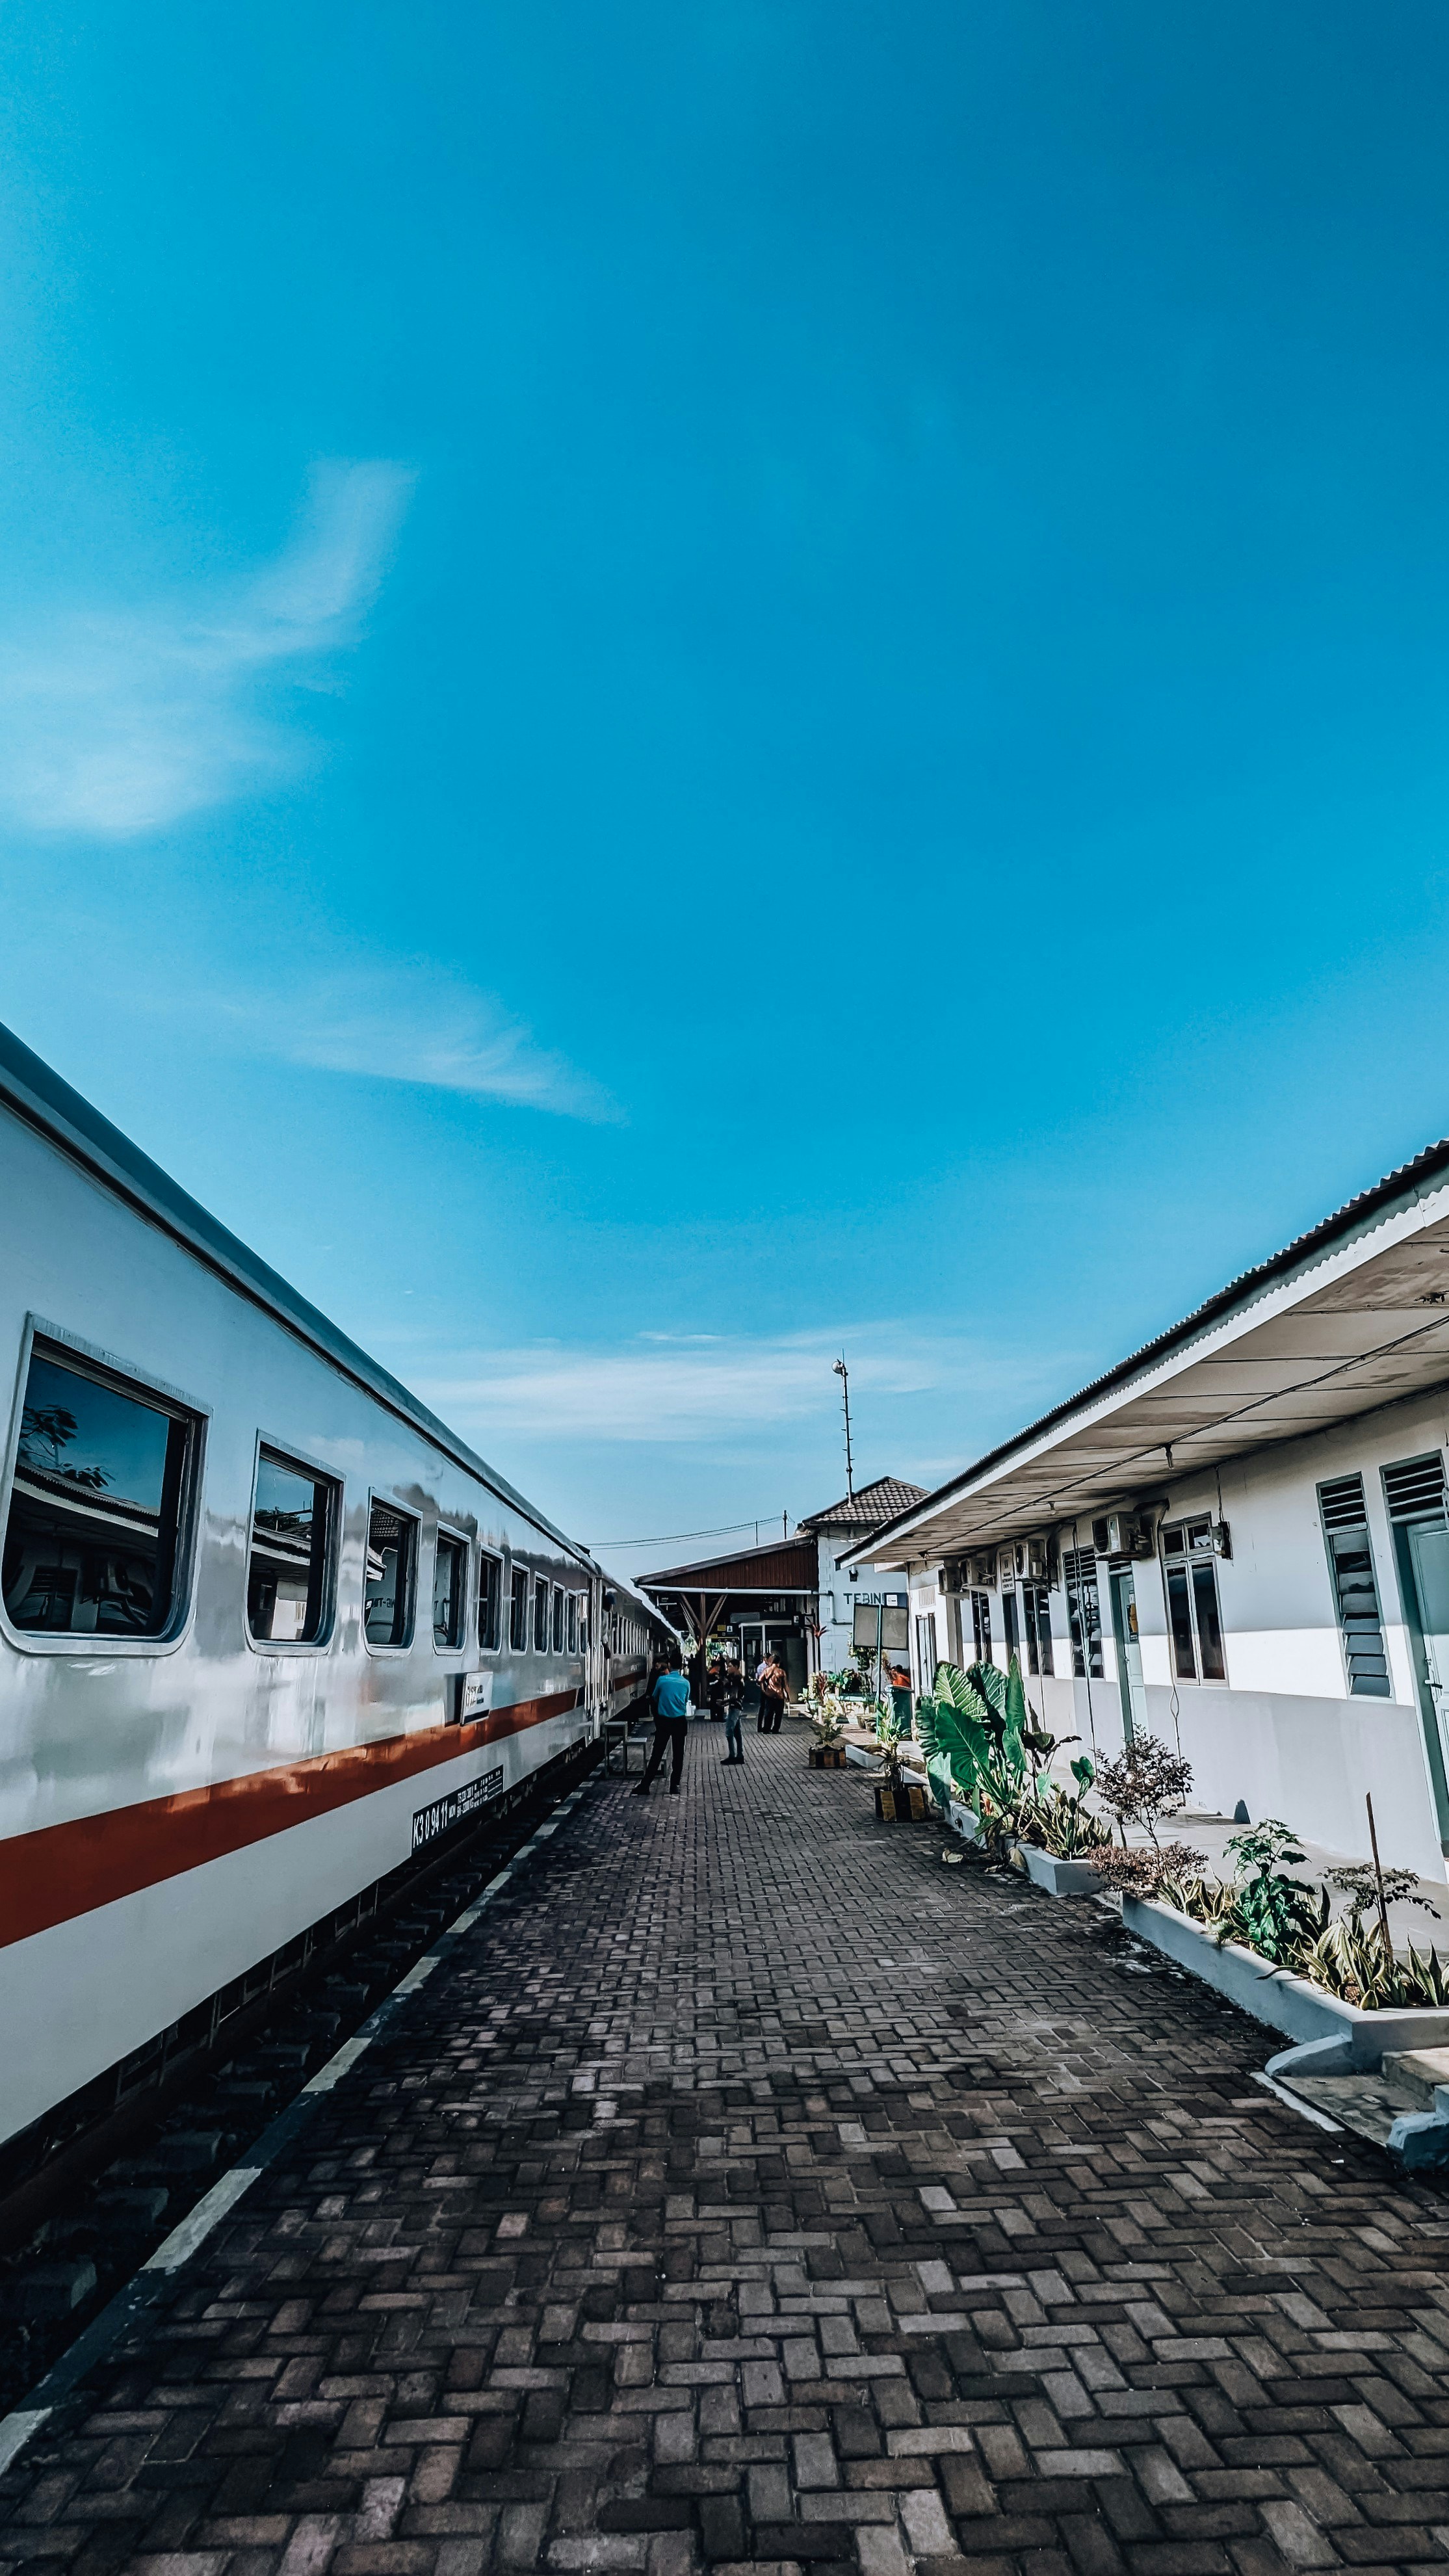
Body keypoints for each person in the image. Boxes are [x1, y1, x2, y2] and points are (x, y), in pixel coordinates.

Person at [633, 1655, 691, 1795]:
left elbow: (655, 1697)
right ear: (682, 1667)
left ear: (669, 1665)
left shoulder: (662, 1680)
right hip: (680, 1721)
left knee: (657, 1754)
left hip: (664, 1722)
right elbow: (685, 1700)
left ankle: (646, 1785)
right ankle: (674, 1786)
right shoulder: (686, 1683)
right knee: (678, 1755)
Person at [718, 1658, 745, 1764]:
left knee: (729, 1731)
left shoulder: (737, 1679)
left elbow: (734, 1696)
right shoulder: (737, 1678)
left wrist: (724, 1702)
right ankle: (740, 1755)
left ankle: (732, 1756)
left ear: (736, 1667)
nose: (728, 1668)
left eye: (730, 1666)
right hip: (737, 1706)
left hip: (735, 1706)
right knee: (737, 1732)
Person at [757, 1650, 789, 1733]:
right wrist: (788, 1695)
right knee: (778, 1714)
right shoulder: (781, 1672)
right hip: (779, 1695)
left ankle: (767, 1729)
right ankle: (775, 1730)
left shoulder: (767, 1670)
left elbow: (760, 1680)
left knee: (769, 1713)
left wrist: (763, 1689)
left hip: (769, 1695)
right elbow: (785, 1685)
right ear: (778, 1662)